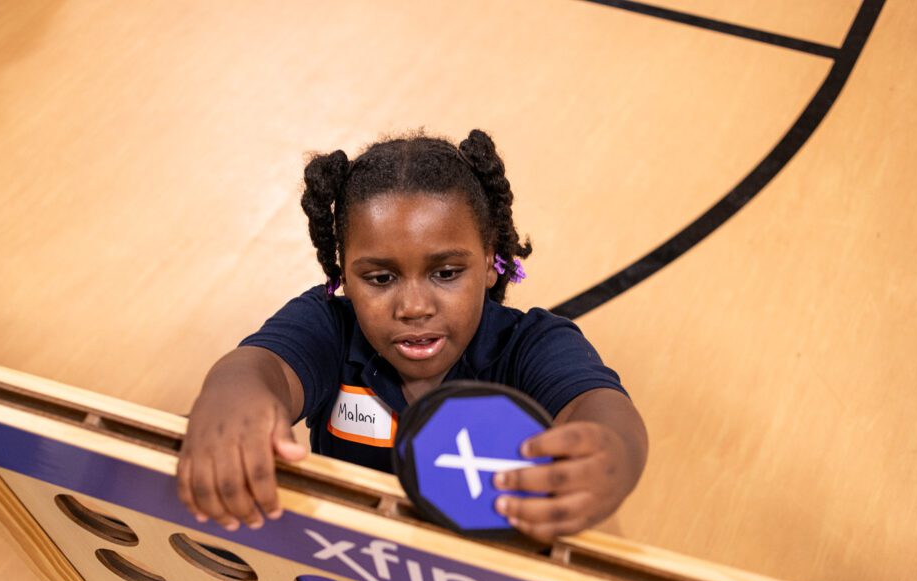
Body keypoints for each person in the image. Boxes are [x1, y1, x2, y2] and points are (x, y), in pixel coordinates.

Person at [177, 130, 648, 543]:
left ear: (490, 262)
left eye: (446, 272)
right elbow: (266, 368)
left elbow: (601, 408)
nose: (414, 307)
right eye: (381, 279)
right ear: (344, 274)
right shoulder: (329, 326)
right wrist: (231, 391)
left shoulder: (532, 344)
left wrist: (614, 452)